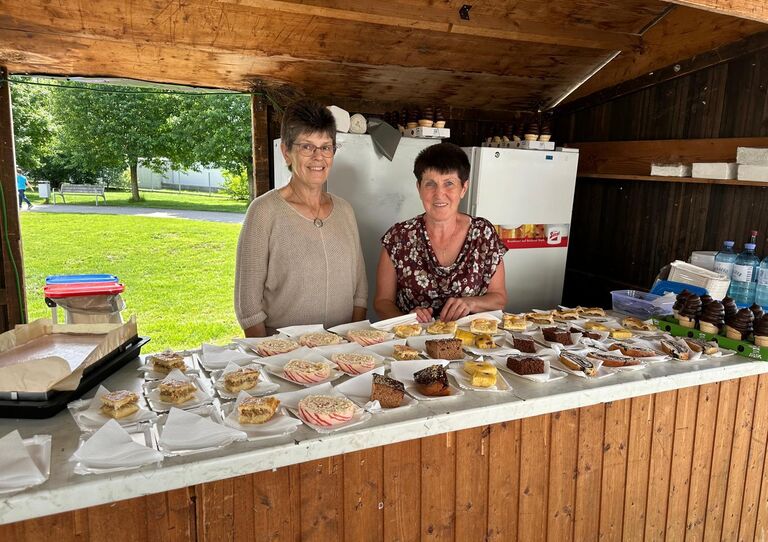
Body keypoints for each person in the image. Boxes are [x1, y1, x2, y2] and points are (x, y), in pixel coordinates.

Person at [234, 99, 367, 337]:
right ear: (286, 152)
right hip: (284, 358)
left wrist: (351, 343)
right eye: (307, 147)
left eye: (326, 147)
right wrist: (269, 355)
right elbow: (248, 306)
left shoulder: (345, 211)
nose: (319, 157)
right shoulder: (264, 212)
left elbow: (360, 291)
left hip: (343, 353)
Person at [374, 143, 507, 323]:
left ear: (464, 188)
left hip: (472, 343)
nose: (439, 194)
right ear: (419, 187)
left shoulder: (483, 234)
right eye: (430, 184)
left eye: (449, 183)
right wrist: (406, 321)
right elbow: (382, 302)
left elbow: (499, 297)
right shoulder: (399, 238)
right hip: (411, 345)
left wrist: (471, 303)